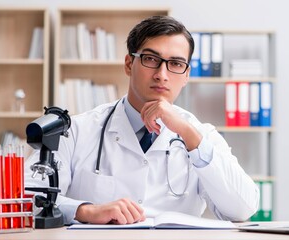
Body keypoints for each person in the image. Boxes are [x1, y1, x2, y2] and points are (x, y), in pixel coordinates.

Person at [25, 15, 259, 225]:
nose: (162, 74)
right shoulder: (77, 130)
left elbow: (242, 209)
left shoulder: (200, 136)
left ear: (186, 75)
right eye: (150, 59)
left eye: (176, 64)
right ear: (129, 64)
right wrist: (84, 211)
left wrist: (190, 136)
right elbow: (24, 197)